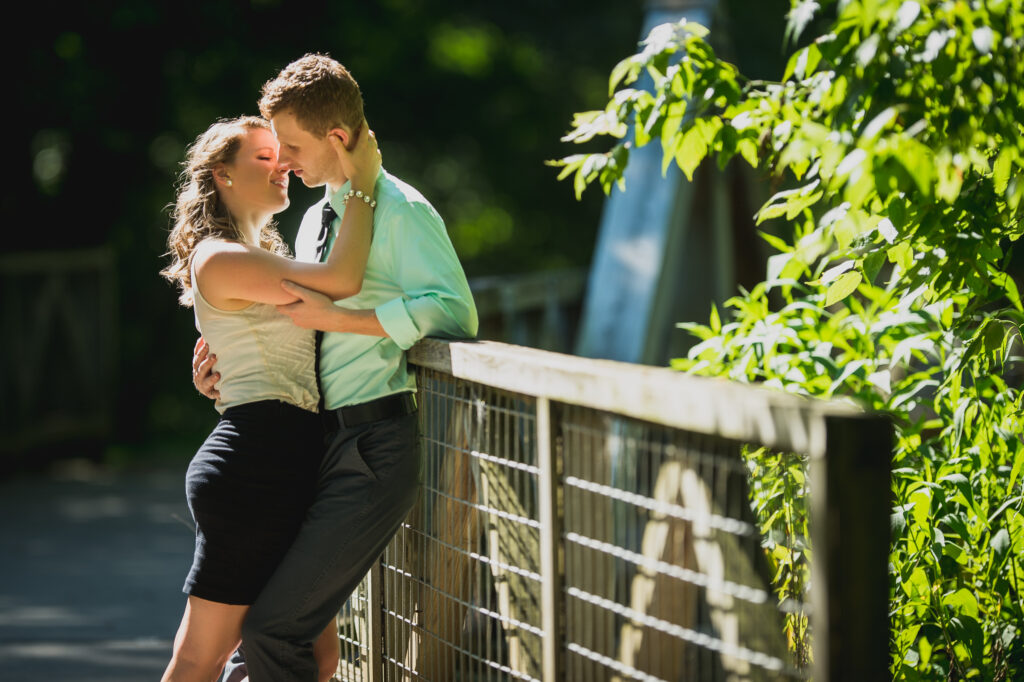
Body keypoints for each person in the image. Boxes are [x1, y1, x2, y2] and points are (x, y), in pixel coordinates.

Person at [193, 54, 479, 681]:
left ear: (338, 138)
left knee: (273, 631)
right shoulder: (319, 218)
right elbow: (290, 328)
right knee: (290, 638)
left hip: (371, 442)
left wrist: (350, 323)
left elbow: (456, 311)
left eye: (290, 145)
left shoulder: (400, 208)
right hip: (320, 444)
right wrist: (226, 372)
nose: (285, 162)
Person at [160, 114, 381, 682]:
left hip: (286, 464)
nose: (281, 164)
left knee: (315, 655)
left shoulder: (257, 256)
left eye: (282, 154)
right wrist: (363, 183)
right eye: (262, 158)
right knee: (200, 659)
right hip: (254, 471)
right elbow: (343, 279)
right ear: (222, 176)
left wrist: (216, 385)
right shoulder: (219, 256)